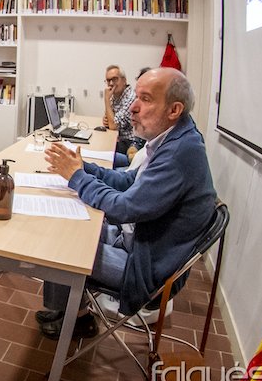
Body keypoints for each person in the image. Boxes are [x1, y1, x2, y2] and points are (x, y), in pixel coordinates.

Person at [36, 68, 217, 340]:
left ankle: (78, 320)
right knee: (64, 229)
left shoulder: (181, 152)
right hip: (140, 243)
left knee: (62, 249)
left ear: (174, 109)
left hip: (145, 268)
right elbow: (130, 180)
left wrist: (76, 177)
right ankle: (66, 309)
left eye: (145, 99)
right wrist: (83, 168)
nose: (133, 107)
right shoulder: (175, 138)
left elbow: (122, 208)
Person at [103, 65, 145, 161]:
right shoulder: (115, 96)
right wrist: (107, 120)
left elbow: (113, 125)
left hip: (131, 145)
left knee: (100, 154)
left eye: (114, 79)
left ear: (124, 80)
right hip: (118, 139)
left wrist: (106, 101)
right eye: (108, 80)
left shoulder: (131, 97)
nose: (111, 84)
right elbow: (108, 121)